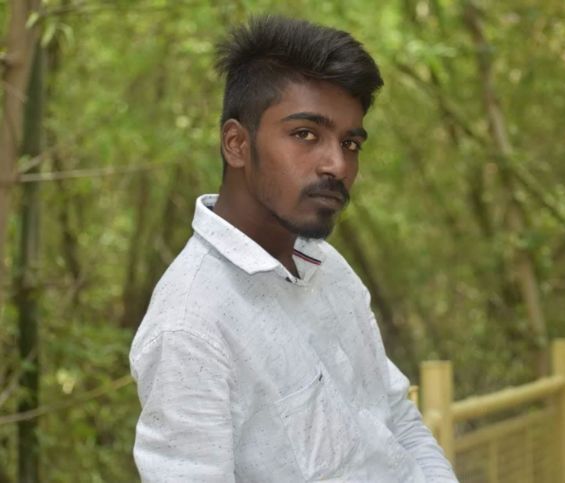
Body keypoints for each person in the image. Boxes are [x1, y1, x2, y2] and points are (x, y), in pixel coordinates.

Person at [130, 15, 458, 483]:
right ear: (236, 144)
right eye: (306, 134)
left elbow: (397, 421)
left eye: (350, 143)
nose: (337, 164)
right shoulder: (191, 325)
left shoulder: (328, 266)